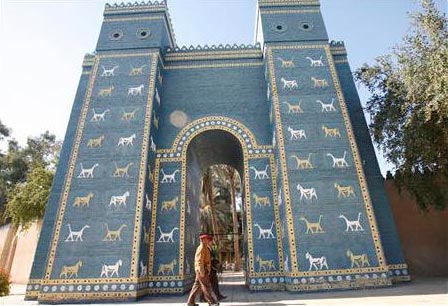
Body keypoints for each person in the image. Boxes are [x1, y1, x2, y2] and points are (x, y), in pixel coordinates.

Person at [186, 233, 219, 306]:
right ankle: (211, 302)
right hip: (202, 270)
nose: (208, 240)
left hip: (202, 270)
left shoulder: (204, 247)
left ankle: (190, 302)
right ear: (203, 240)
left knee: (196, 286)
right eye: (207, 239)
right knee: (206, 286)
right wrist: (202, 271)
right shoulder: (201, 248)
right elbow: (199, 261)